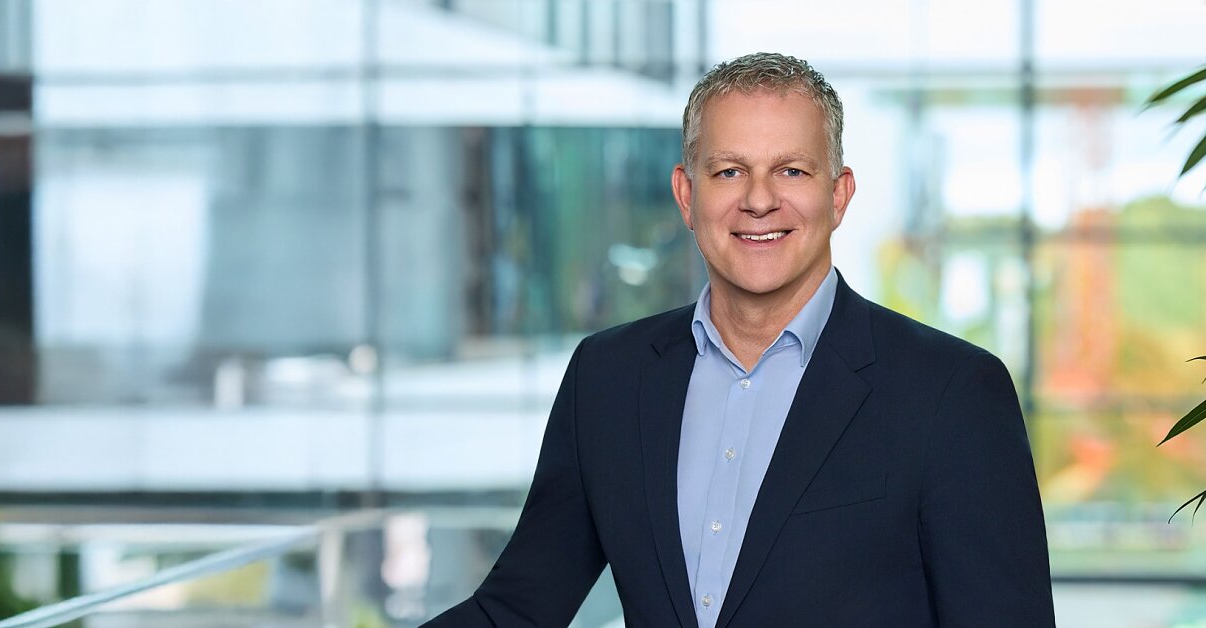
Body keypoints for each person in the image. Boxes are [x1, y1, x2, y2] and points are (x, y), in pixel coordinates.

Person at [424, 52, 1054, 627]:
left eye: (791, 170)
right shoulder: (607, 378)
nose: (759, 200)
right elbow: (516, 610)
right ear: (686, 194)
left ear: (838, 195)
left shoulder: (951, 392)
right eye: (729, 171)